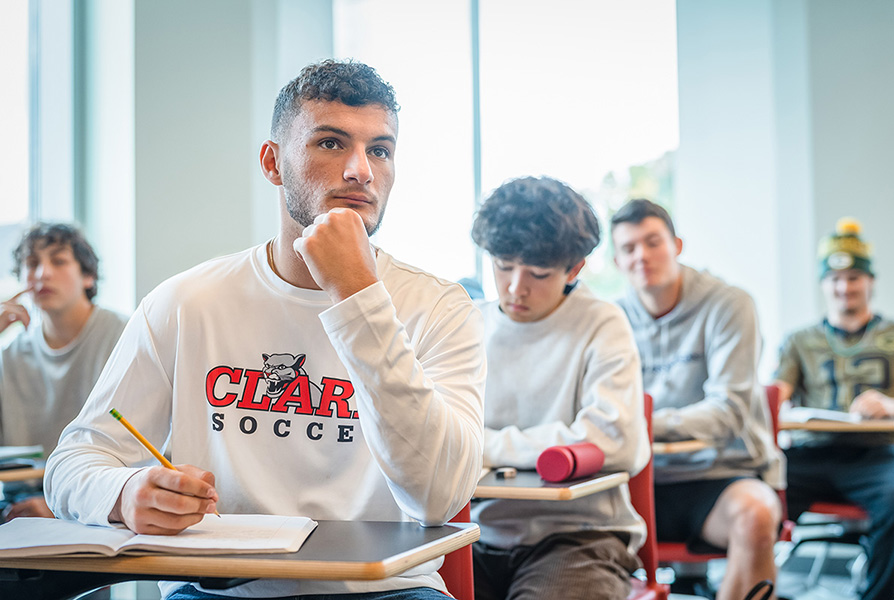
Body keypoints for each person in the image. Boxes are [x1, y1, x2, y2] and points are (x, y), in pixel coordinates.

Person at [45, 59, 486, 600]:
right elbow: (72, 463)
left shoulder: (440, 306)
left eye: (380, 150)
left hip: (389, 591)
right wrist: (123, 490)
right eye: (330, 143)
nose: (360, 171)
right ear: (272, 163)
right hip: (219, 592)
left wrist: (357, 296)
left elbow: (437, 497)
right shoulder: (186, 302)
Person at [469, 177, 649, 600]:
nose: (515, 287)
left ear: (574, 269)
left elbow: (613, 441)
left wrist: (485, 446)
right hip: (475, 531)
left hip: (580, 534)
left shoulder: (602, 323)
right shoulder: (467, 324)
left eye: (538, 273)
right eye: (502, 266)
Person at [610, 199, 782, 600]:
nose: (642, 256)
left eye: (653, 242)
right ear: (617, 262)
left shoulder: (729, 303)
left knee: (756, 515)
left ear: (677, 245)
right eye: (629, 248)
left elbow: (728, 412)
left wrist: (644, 422)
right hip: (635, 480)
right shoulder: (610, 318)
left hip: (720, 475)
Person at [773, 218, 894, 600]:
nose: (844, 287)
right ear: (824, 284)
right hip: (811, 453)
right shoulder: (799, 340)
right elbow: (776, 396)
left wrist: (890, 405)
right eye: (835, 279)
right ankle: (755, 587)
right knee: (753, 493)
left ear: (870, 282)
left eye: (854, 278)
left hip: (877, 457)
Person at [0, 222, 127, 521]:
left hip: (103, 500)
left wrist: (61, 504)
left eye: (58, 261)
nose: (42, 273)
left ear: (88, 275)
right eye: (32, 264)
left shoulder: (124, 336)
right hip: (20, 506)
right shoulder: (11, 355)